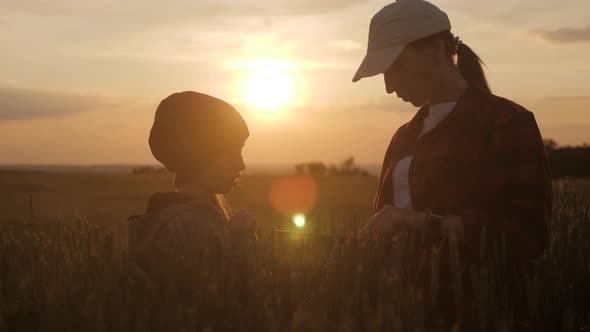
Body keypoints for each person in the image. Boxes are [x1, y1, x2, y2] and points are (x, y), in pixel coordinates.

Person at [353, 0, 552, 326]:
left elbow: (526, 237)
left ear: (434, 50)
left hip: (476, 316)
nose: (389, 86)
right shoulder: (404, 136)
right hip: (399, 314)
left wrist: (419, 222)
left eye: (396, 67)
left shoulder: (507, 123)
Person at [128, 91, 257, 277]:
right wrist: (238, 244)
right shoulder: (186, 227)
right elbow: (211, 299)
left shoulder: (178, 217)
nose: (241, 164)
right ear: (202, 155)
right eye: (232, 152)